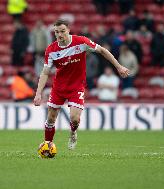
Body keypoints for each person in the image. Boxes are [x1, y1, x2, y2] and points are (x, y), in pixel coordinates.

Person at [33, 19, 129, 150]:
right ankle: (47, 144)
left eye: (62, 31)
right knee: (51, 118)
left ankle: (73, 133)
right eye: (56, 32)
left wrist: (118, 67)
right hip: (58, 88)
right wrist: (38, 93)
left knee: (74, 119)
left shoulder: (81, 42)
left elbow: (102, 51)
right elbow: (45, 73)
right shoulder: (51, 50)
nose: (59, 34)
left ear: (68, 30)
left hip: (76, 86)